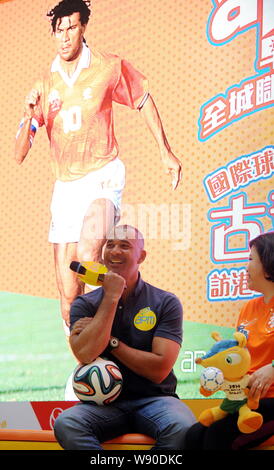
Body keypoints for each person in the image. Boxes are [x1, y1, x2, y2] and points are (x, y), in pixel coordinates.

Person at [14, 0, 182, 334]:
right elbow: (19, 153)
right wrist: (26, 113)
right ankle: (87, 373)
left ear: (83, 28)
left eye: (71, 28)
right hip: (65, 188)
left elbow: (143, 100)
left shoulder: (108, 66)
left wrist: (166, 152)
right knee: (68, 301)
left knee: (90, 247)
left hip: (103, 174)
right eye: (59, 31)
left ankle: (115, 316)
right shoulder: (44, 85)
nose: (64, 37)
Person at [53, 224, 196, 450]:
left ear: (142, 256)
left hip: (156, 400)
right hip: (102, 407)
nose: (115, 251)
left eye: (124, 246)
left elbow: (158, 370)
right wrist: (111, 297)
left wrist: (110, 340)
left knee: (183, 427)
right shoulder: (84, 303)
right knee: (67, 423)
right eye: (110, 245)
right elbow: (84, 353)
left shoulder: (165, 302)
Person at [185, 231, 274, 450]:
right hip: (246, 398)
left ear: (269, 261)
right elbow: (238, 357)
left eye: (251, 259)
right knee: (194, 435)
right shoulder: (249, 308)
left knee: (217, 436)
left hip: (271, 399)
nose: (245, 267)